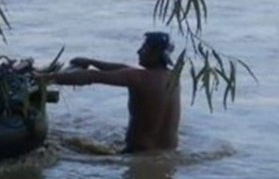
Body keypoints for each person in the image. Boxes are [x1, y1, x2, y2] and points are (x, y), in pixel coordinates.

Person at [41, 31, 181, 153]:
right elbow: (124, 69)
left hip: (137, 153)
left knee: (66, 144)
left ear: (156, 54)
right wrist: (91, 61)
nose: (138, 51)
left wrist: (46, 79)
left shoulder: (138, 78)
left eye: (144, 48)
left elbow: (91, 76)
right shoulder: (172, 78)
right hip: (166, 153)